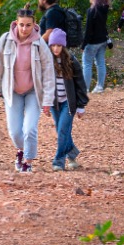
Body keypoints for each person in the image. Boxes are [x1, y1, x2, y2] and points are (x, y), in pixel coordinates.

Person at [0, 4, 55, 174]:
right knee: (15, 131)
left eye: (28, 25)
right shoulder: (5, 40)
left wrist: (48, 100)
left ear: (34, 25)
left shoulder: (39, 44)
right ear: (15, 23)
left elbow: (48, 72)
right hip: (13, 90)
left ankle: (28, 161)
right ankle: (21, 150)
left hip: (33, 91)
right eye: (21, 25)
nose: (24, 29)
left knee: (30, 129)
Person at [47, 28, 89, 171]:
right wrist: (44, 103)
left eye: (58, 45)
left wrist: (81, 105)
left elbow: (80, 84)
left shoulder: (71, 61)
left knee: (63, 130)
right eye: (53, 45)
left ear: (63, 46)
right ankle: (72, 154)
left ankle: (59, 161)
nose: (56, 48)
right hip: (54, 103)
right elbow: (43, 83)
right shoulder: (47, 60)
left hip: (68, 103)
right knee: (61, 131)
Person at [82, 0, 119, 93]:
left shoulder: (91, 11)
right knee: (100, 63)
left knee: (87, 64)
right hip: (102, 40)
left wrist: (83, 45)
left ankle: (85, 89)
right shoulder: (104, 9)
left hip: (92, 42)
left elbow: (88, 29)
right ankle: (99, 87)